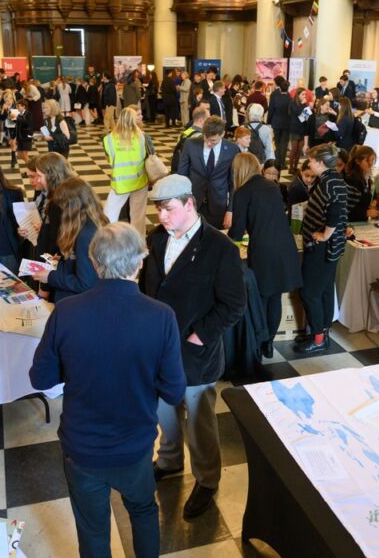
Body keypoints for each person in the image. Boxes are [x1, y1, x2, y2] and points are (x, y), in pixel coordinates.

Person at [30, 223, 185, 557]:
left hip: (82, 447)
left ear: (95, 262)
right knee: (143, 512)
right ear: (139, 262)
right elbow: (174, 392)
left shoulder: (67, 312)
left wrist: (75, 365)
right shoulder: (161, 316)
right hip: (135, 447)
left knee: (93, 528)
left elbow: (39, 379)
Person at [142, 175, 246, 519]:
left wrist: (199, 335)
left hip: (196, 354)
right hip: (158, 351)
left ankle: (207, 480)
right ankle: (170, 461)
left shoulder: (220, 248)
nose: (162, 217)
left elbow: (233, 305)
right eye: (158, 210)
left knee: (199, 423)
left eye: (168, 209)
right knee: (165, 414)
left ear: (189, 204)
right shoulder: (156, 239)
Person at [228, 153, 301, 353]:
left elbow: (236, 231)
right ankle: (268, 342)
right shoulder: (273, 186)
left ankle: (259, 343)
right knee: (275, 297)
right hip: (285, 247)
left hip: (263, 250)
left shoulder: (243, 192)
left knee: (261, 298)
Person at [296, 144, 348, 354]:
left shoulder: (330, 182)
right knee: (324, 290)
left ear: (320, 162)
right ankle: (322, 333)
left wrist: (324, 235)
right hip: (327, 246)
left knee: (309, 293)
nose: (308, 163)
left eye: (311, 160)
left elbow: (335, 211)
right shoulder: (330, 179)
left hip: (322, 247)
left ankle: (318, 338)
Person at [27, 178, 107, 301]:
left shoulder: (85, 234)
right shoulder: (95, 222)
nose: (61, 212)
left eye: (62, 206)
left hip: (76, 301)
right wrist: (65, 261)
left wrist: (50, 277)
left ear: (72, 206)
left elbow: (85, 283)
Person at [176, 116, 240, 229]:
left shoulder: (232, 150)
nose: (209, 143)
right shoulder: (190, 144)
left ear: (223, 134)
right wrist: (181, 204)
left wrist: (231, 210)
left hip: (218, 206)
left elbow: (234, 183)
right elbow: (181, 176)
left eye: (213, 140)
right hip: (193, 205)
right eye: (206, 139)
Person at [102, 107, 150, 237]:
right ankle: (139, 247)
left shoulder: (109, 139)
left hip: (120, 182)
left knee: (110, 213)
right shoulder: (142, 136)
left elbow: (110, 159)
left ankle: (108, 239)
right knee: (138, 217)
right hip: (139, 181)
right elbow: (149, 156)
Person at [23, 153, 75, 261]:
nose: (37, 180)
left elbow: (59, 234)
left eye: (39, 176)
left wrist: (44, 228)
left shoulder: (60, 201)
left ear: (52, 175)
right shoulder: (56, 196)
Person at [344, 146, 379, 222]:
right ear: (357, 161)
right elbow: (346, 209)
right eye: (366, 160)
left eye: (372, 160)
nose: (370, 164)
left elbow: (372, 193)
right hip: (351, 224)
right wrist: (366, 212)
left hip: (363, 221)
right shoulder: (351, 180)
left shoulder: (367, 177)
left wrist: (374, 201)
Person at [287, 88, 312, 173]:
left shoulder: (304, 104)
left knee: (299, 151)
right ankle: (290, 168)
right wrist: (303, 105)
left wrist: (306, 106)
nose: (304, 96)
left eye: (305, 94)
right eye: (302, 94)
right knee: (294, 149)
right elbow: (297, 113)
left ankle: (295, 167)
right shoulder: (293, 102)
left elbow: (306, 116)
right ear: (298, 95)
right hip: (295, 128)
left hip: (303, 128)